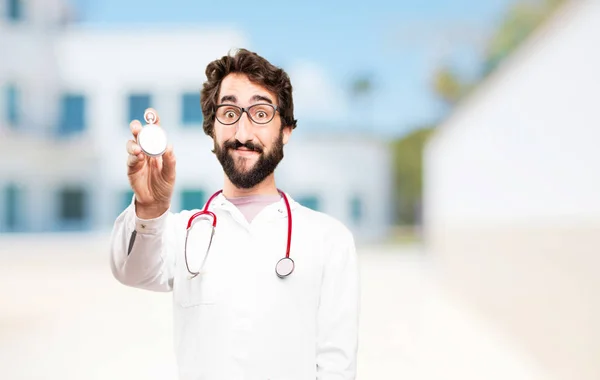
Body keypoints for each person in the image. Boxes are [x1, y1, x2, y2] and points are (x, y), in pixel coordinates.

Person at [109, 48, 360, 380]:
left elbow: (337, 367)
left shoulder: (329, 239)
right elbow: (131, 271)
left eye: (260, 113)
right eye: (229, 113)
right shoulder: (182, 232)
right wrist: (150, 209)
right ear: (212, 128)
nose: (242, 133)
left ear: (285, 130)